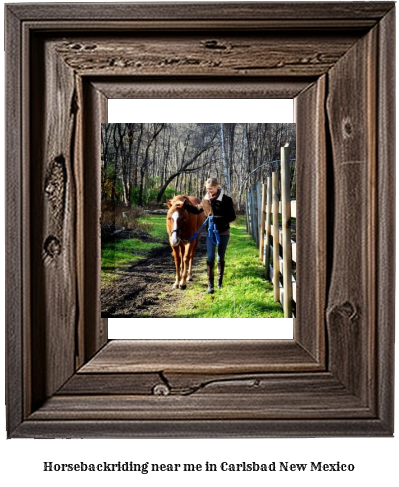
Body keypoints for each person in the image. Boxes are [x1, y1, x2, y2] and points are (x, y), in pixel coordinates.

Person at [183, 178, 236, 294]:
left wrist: (218, 219)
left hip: (223, 232)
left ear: (217, 187)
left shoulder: (226, 200)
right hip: (210, 232)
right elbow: (197, 210)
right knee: (210, 256)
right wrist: (185, 206)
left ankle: (219, 283)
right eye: (207, 189)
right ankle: (210, 286)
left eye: (211, 189)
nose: (209, 191)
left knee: (220, 257)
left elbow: (232, 216)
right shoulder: (206, 199)